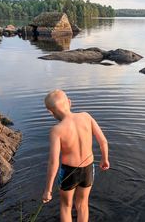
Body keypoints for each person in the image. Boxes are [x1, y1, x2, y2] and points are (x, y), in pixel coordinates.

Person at [42, 89, 109, 222]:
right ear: (69, 102)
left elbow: (53, 162)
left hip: (69, 172)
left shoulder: (56, 130)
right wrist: (105, 159)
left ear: (50, 112)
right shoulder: (86, 116)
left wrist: (48, 190)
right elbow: (103, 141)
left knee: (66, 206)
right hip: (88, 168)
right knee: (82, 205)